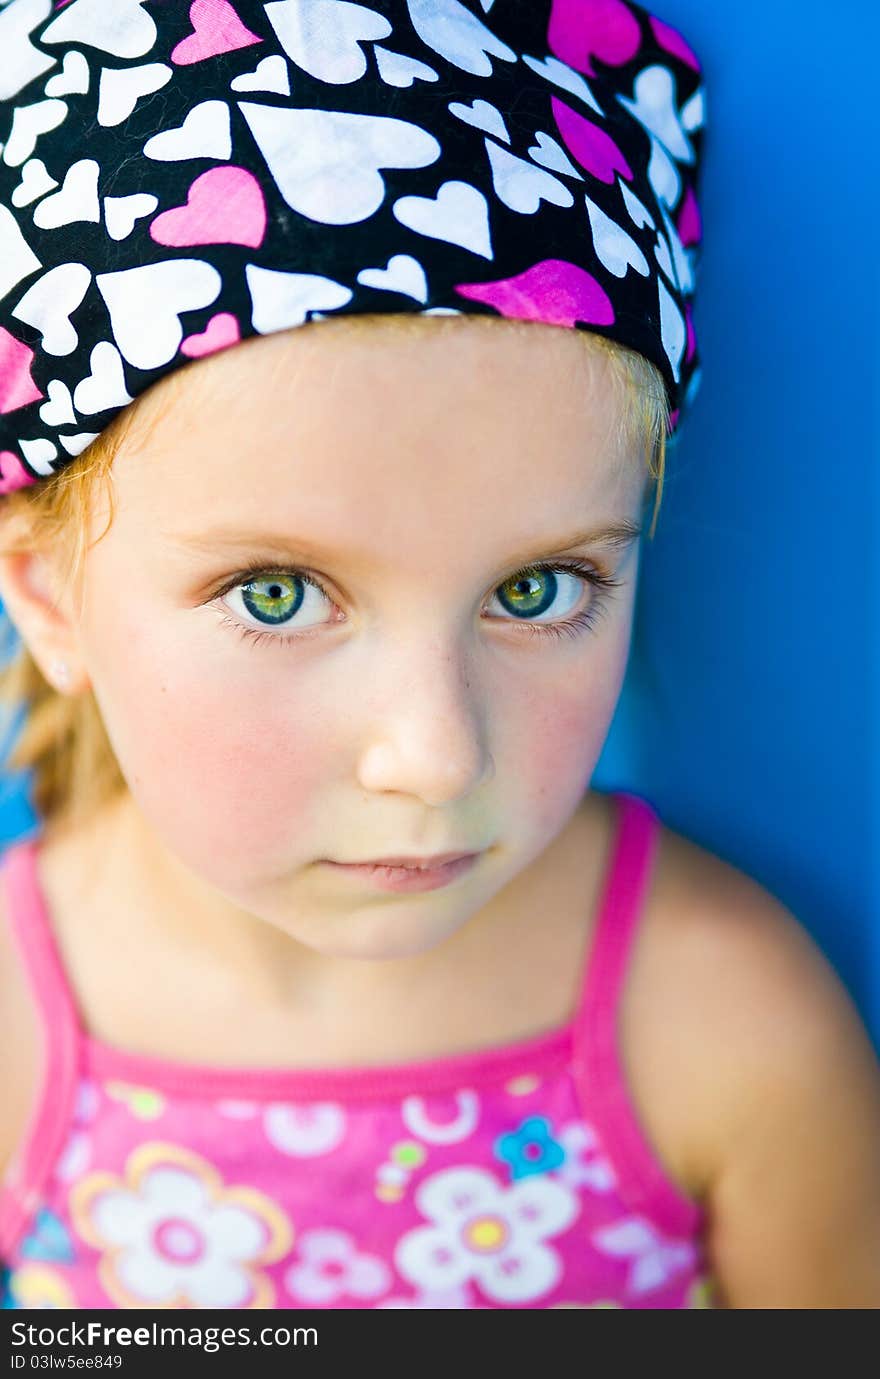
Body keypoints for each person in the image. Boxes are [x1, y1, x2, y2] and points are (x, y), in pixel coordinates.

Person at [0, 0, 877, 1312]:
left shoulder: (720, 1024)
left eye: (538, 588)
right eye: (281, 595)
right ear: (48, 597)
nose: (436, 754)